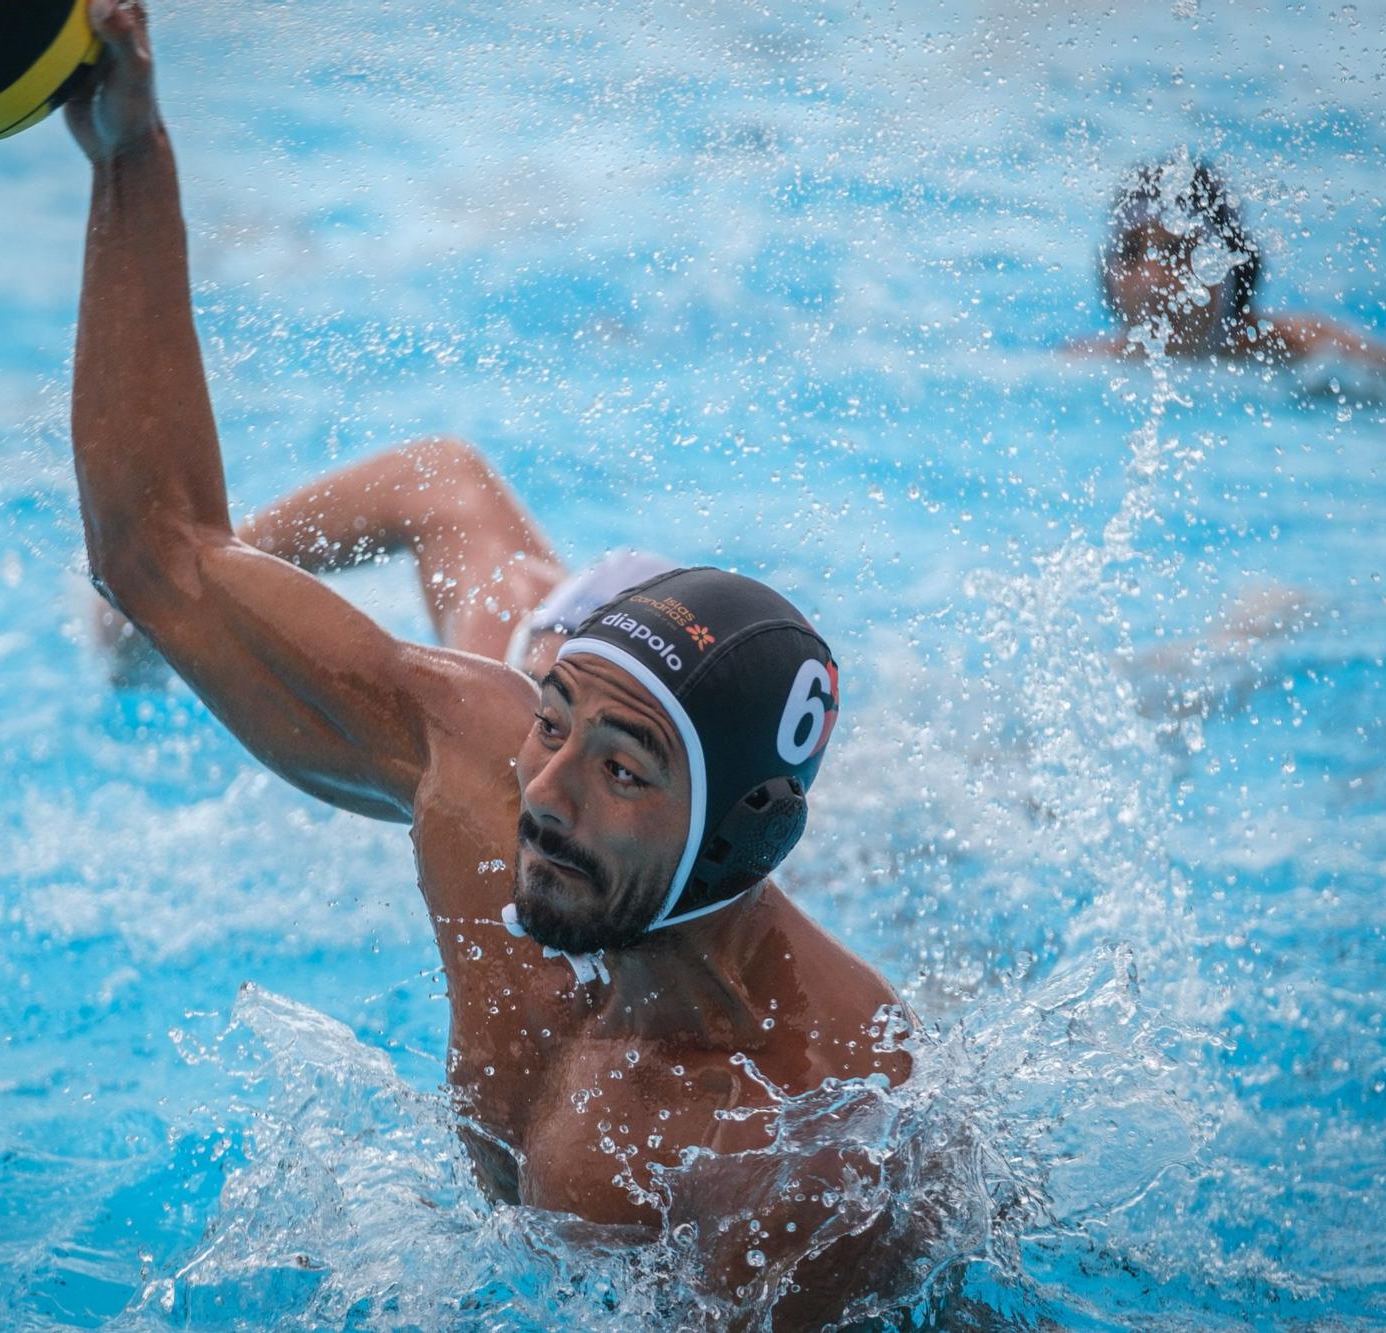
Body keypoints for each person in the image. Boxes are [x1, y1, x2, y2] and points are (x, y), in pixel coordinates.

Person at [59, 2, 915, 1322]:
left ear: (752, 827)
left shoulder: (815, 1145)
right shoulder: (481, 757)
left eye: (620, 764)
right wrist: (132, 152)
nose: (546, 791)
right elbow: (156, 551)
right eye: (556, 719)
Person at [87, 435, 675, 686]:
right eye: (548, 709)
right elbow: (438, 477)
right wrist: (175, 587)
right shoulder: (499, 652)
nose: (553, 772)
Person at [1074, 154, 1386, 432]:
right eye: (1131, 252)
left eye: (1182, 250)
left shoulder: (1298, 345)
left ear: (1233, 270)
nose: (1154, 275)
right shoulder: (1088, 365)